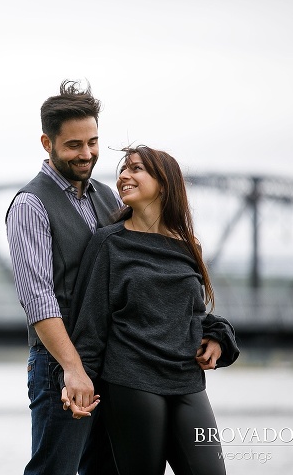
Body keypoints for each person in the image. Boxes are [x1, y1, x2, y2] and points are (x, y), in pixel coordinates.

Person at [64, 145, 240, 475]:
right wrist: (78, 382)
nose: (123, 176)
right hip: (130, 380)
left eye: (136, 169)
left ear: (164, 182)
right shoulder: (108, 243)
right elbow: (90, 323)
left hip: (186, 379)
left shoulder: (189, 245)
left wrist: (217, 337)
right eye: (122, 170)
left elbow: (193, 314)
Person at [5, 80, 121, 475]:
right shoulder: (30, 205)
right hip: (59, 364)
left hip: (112, 360)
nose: (86, 153)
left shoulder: (108, 197)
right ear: (47, 142)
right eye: (73, 145)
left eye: (92, 142)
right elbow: (38, 298)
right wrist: (73, 369)